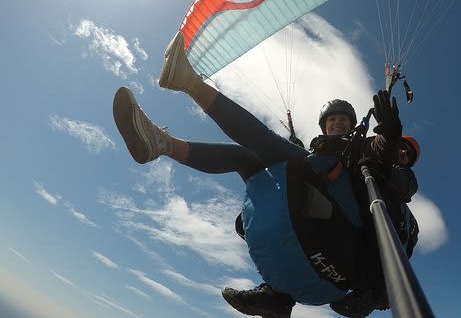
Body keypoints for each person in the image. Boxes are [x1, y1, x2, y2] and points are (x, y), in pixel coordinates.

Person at [113, 32, 407, 318]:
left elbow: (382, 153)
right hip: (314, 241)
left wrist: (390, 135)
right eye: (333, 120)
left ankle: (189, 82)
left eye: (344, 120)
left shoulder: (362, 148)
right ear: (324, 126)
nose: (338, 124)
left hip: (345, 231)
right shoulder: (316, 151)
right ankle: (161, 144)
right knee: (244, 158)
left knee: (266, 143)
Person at [329, 135, 421, 318]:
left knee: (390, 208)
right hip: (355, 220)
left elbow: (403, 185)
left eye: (408, 154)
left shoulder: (406, 176)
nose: (403, 152)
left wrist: (382, 171)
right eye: (401, 147)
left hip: (387, 221)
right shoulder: (367, 155)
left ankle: (377, 288)